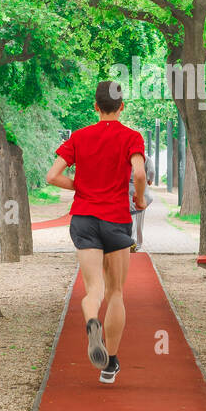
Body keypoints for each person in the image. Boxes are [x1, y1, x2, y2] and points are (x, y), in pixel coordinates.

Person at [46, 81, 147, 385]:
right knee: (116, 292)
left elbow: (52, 176)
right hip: (115, 220)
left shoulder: (79, 137)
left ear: (95, 107)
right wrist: (139, 199)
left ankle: (92, 321)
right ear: (122, 106)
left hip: (84, 219)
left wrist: (80, 186)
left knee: (94, 290)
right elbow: (139, 173)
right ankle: (111, 364)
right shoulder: (131, 137)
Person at [129, 161, 154, 251]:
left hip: (127, 190)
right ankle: (137, 243)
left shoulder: (124, 157)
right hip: (141, 191)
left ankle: (131, 241)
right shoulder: (146, 158)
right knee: (140, 220)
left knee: (131, 216)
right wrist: (150, 180)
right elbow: (151, 171)